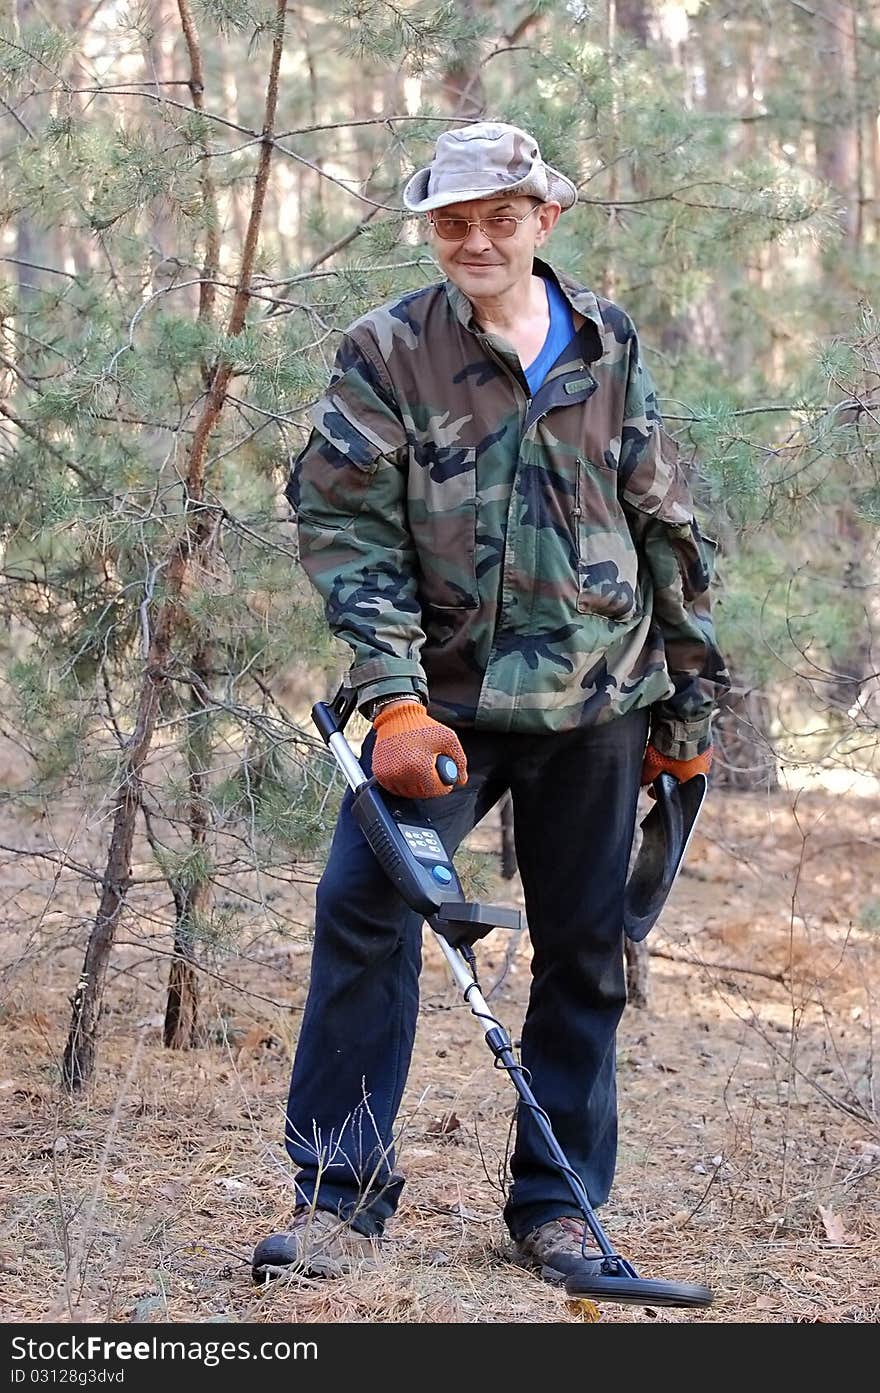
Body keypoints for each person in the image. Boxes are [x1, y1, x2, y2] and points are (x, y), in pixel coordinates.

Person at [252, 122, 729, 1283]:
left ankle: (557, 1205)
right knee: (362, 913)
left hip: (599, 699)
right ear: (432, 229)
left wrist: (688, 706)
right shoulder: (387, 350)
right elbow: (345, 527)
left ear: (541, 221)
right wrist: (395, 703)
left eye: (498, 218)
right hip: (441, 711)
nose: (475, 240)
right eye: (453, 222)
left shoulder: (605, 339)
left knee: (587, 949)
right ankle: (336, 1200)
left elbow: (662, 518)